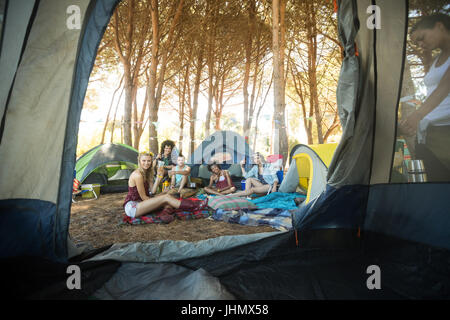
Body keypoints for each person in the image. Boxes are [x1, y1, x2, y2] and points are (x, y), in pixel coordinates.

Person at [400, 13, 450, 181]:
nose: (421, 45)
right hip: (430, 133)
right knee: (438, 186)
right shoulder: (437, 59)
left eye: (421, 38)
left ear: (439, 26)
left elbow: (444, 88)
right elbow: (432, 87)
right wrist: (428, 60)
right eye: (416, 43)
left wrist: (417, 115)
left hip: (446, 130)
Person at [124, 151, 208, 223]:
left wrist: (158, 177)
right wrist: (160, 199)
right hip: (133, 207)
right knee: (166, 198)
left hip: (142, 203)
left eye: (149, 161)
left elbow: (153, 191)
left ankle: (164, 214)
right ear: (139, 161)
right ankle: (196, 205)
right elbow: (144, 197)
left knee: (167, 196)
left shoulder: (147, 173)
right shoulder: (138, 175)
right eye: (144, 161)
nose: (146, 163)